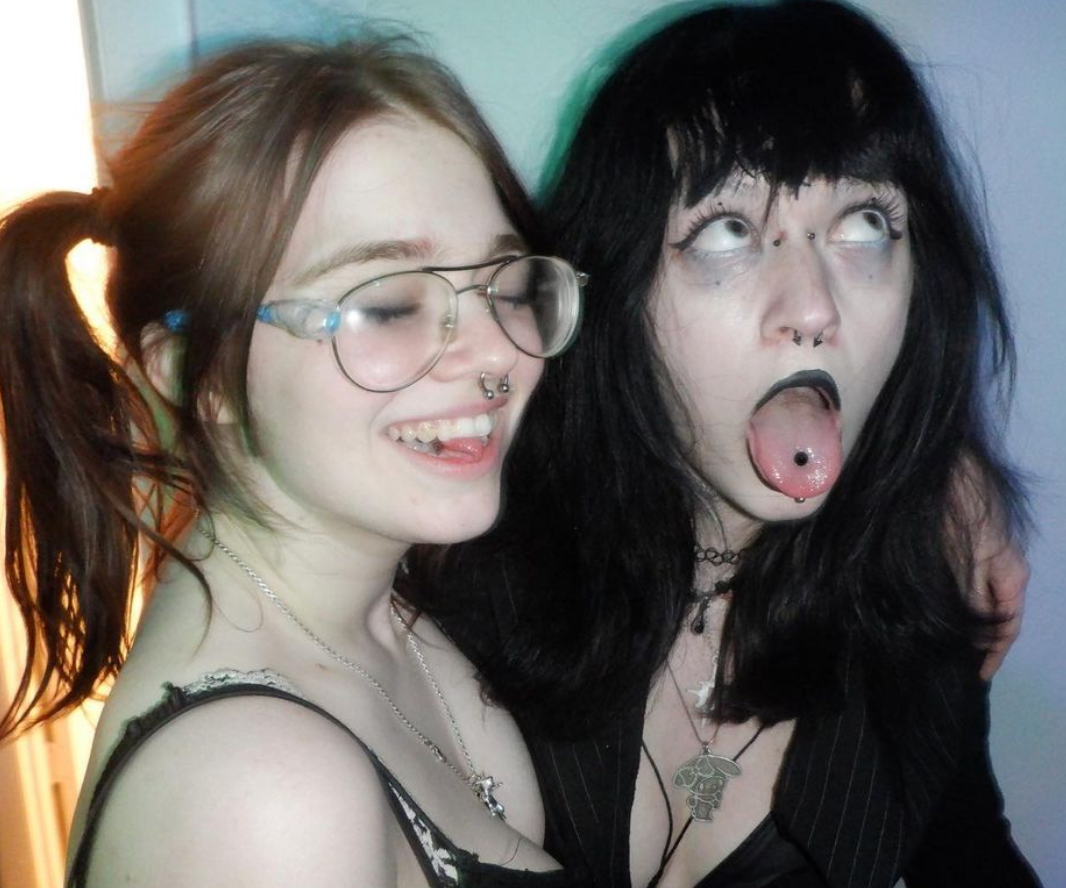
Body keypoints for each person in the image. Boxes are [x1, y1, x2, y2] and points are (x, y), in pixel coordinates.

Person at [426, 2, 1041, 886]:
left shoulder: (922, 605)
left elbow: (971, 855)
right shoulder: (460, 555)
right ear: (616, 290)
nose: (813, 308)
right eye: (728, 232)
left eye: (866, 224)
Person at [0, 37, 589, 888]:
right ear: (197, 376)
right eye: (389, 304)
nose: (497, 353)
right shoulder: (257, 794)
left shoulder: (388, 618)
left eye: (504, 285)